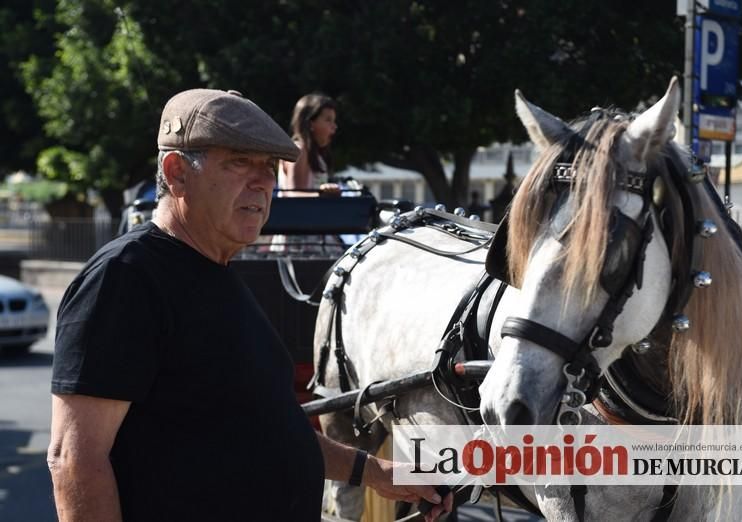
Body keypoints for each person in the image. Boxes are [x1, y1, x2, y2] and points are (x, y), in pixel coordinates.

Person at [47, 88, 451, 521]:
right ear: (176, 171)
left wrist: (374, 472)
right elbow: (74, 460)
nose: (262, 183)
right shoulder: (125, 277)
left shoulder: (218, 273)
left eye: (268, 167)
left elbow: (270, 428)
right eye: (239, 162)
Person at [278, 92, 340, 195]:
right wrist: (322, 194)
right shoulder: (300, 149)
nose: (334, 126)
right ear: (311, 123)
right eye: (328, 120)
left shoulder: (314, 153)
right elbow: (293, 195)